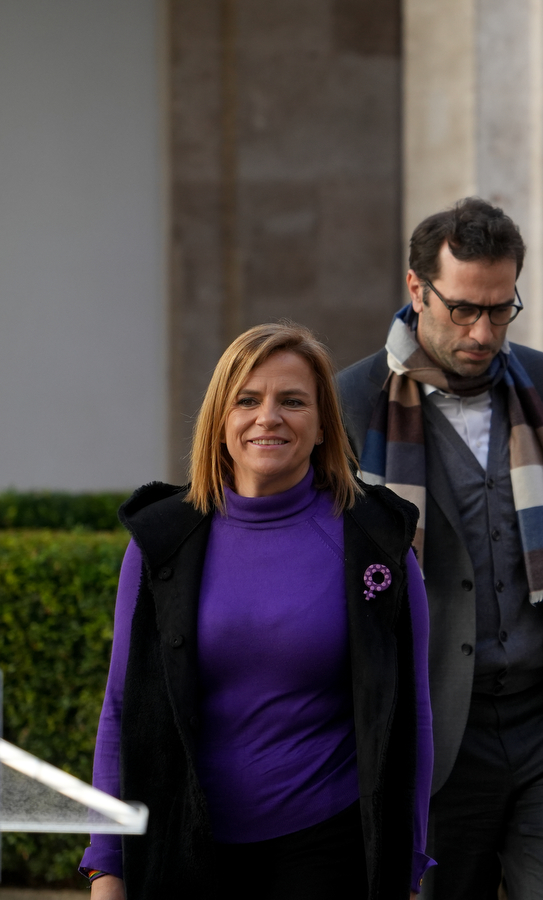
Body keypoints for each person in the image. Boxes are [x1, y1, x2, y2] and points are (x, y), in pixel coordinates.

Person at [81, 322, 433, 900]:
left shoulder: (378, 540)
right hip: (186, 847)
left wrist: (407, 864)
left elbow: (410, 715)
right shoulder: (161, 540)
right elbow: (123, 709)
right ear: (221, 420)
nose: (268, 416)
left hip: (330, 847)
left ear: (323, 426)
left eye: (292, 401)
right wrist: (106, 864)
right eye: (247, 400)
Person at [337, 199, 543, 900]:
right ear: (417, 289)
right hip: (435, 729)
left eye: (502, 310)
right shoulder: (351, 400)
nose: (484, 331)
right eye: (464, 309)